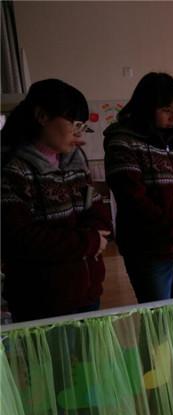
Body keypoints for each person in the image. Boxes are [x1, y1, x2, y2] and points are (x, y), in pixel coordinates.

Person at [1, 79, 112, 321]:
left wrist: (95, 231)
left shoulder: (75, 159)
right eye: (75, 124)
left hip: (86, 293)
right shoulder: (14, 169)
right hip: (43, 301)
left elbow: (94, 203)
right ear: (42, 116)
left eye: (83, 125)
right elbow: (17, 239)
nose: (79, 132)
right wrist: (87, 241)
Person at [104, 72, 173, 303]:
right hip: (148, 251)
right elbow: (133, 200)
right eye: (166, 110)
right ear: (146, 108)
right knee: (159, 317)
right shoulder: (123, 142)